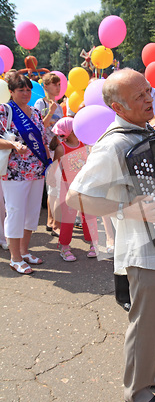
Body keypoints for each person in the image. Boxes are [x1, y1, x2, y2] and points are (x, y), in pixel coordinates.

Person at [66, 68, 155, 402]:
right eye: (140, 97)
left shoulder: (146, 130)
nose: (150, 99)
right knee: (146, 323)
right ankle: (137, 391)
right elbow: (76, 197)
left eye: (148, 91)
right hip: (145, 251)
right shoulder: (114, 143)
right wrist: (126, 209)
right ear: (118, 108)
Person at [0, 73, 50, 274]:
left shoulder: (36, 112)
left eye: (28, 89)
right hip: (14, 172)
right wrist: (12, 144)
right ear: (11, 92)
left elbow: (42, 137)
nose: (26, 93)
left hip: (36, 171)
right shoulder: (5, 111)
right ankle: (15, 257)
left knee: (31, 213)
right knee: (15, 213)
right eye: (21, 90)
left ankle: (24, 251)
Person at [51, 117, 98, 261]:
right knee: (68, 218)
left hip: (84, 186)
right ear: (70, 131)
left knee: (89, 215)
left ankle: (93, 244)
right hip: (68, 188)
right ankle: (64, 247)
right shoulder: (61, 148)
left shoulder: (85, 144)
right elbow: (54, 169)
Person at [35, 72, 63, 236]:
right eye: (54, 84)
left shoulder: (58, 105)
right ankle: (52, 222)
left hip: (56, 147)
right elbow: (39, 127)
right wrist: (50, 112)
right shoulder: (41, 103)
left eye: (59, 84)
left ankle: (51, 221)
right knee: (52, 186)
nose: (58, 87)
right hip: (45, 149)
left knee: (55, 185)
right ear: (45, 86)